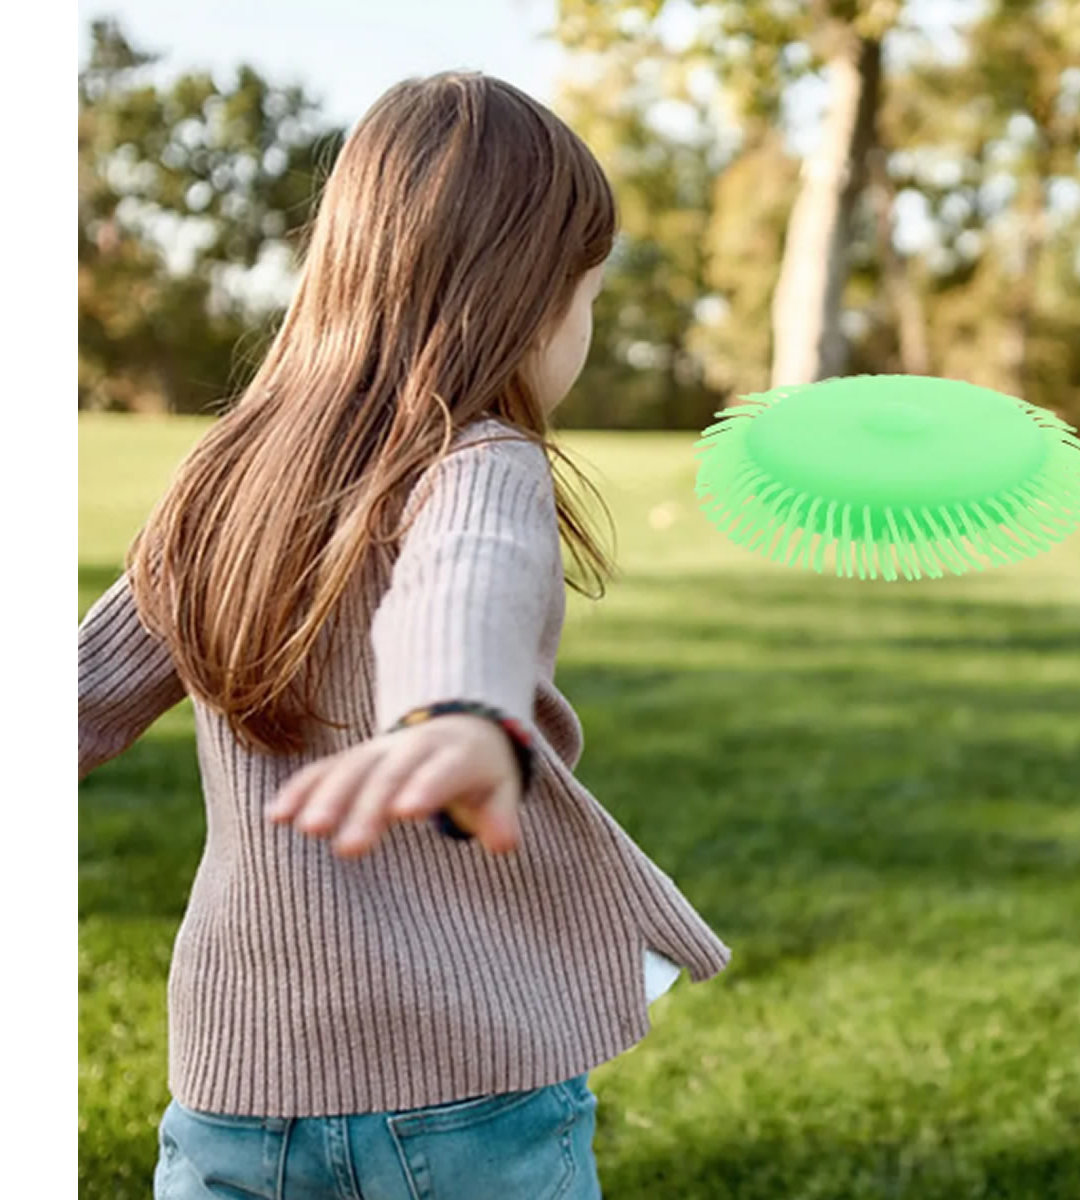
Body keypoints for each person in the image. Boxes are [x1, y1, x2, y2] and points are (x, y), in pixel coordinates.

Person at [77, 73, 729, 1200]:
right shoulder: (485, 460)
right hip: (466, 1090)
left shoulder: (222, 479)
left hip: (236, 1097)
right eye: (588, 298)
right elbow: (469, 571)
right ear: (527, 299)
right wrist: (461, 709)